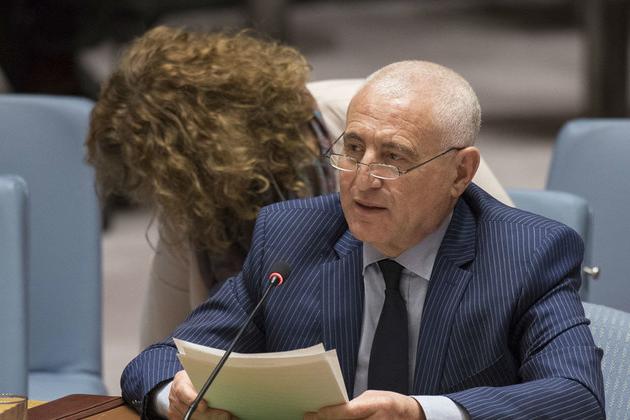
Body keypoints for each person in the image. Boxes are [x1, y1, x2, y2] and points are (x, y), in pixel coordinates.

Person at [121, 59, 604, 419]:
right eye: (353, 149)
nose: (362, 179)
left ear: (460, 172)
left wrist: (423, 414)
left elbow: (577, 397)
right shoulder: (291, 238)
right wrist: (173, 395)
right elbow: (158, 361)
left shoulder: (527, 254)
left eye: (393, 157)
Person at [85, 26, 338, 347]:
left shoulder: (353, 131)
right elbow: (158, 351)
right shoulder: (194, 203)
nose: (163, 193)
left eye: (171, 176)